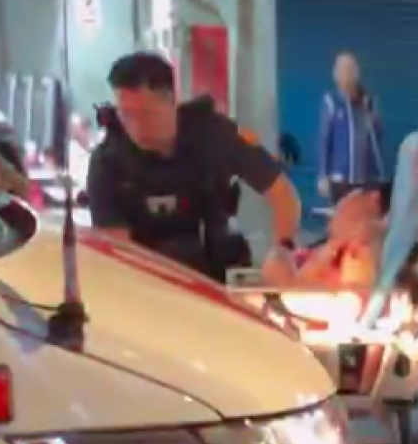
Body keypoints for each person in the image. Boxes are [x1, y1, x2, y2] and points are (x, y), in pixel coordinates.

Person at [86, 52, 300, 281]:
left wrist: (283, 251)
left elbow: (283, 194)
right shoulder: (107, 163)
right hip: (148, 283)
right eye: (126, 115)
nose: (137, 128)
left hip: (217, 277)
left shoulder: (214, 135)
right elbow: (119, 251)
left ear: (171, 102)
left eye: (147, 115)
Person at [317, 52, 387, 205]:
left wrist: (380, 174)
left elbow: (377, 137)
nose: (345, 75)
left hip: (366, 178)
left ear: (356, 73)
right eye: (341, 71)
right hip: (340, 179)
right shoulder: (331, 102)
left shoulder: (368, 101)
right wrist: (323, 175)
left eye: (349, 70)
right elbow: (325, 139)